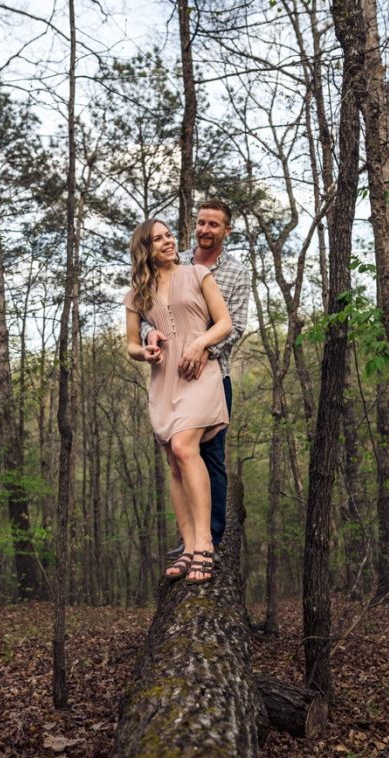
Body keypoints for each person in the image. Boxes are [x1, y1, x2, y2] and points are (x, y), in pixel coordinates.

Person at [124, 220, 234, 583]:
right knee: (173, 460)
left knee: (186, 447)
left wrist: (200, 343)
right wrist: (147, 350)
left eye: (169, 235)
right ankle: (188, 548)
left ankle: (205, 545)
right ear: (145, 248)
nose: (168, 241)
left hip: (200, 373)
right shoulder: (137, 293)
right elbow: (131, 346)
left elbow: (224, 323)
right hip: (164, 378)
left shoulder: (198, 273)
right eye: (158, 239)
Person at [143, 201, 250, 550]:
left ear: (226, 231)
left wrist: (205, 350)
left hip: (216, 374)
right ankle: (189, 538)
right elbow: (148, 310)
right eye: (201, 223)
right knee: (177, 456)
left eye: (214, 225)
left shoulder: (235, 272)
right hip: (172, 376)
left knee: (210, 454)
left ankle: (213, 536)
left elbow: (236, 324)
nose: (205, 230)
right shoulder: (176, 260)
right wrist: (148, 334)